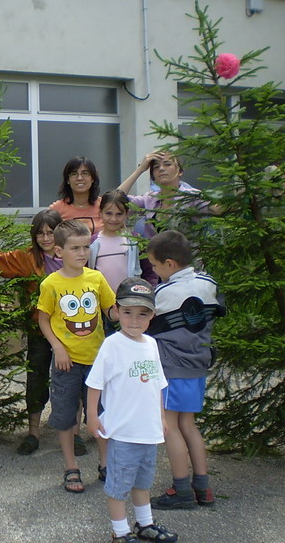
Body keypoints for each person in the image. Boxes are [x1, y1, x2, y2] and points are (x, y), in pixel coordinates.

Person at [86, 277, 178, 543]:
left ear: (153, 315)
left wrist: (161, 416)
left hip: (148, 430)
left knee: (143, 481)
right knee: (118, 486)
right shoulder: (113, 345)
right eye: (127, 312)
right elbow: (94, 383)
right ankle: (120, 532)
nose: (134, 320)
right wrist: (92, 416)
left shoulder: (151, 344)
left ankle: (145, 523)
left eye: (142, 314)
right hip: (123, 431)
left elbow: (159, 384)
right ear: (116, 311)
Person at [145, 231, 225, 510]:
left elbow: (149, 324)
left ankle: (181, 489)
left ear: (169, 264)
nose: (153, 271)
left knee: (169, 427)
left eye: (154, 266)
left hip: (171, 367)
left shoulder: (165, 291)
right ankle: (203, 488)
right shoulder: (208, 282)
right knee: (188, 425)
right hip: (199, 363)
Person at [37, 219, 116, 493]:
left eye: (85, 247)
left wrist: (133, 311)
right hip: (66, 363)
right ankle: (71, 467)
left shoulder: (96, 278)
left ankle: (106, 464)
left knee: (101, 414)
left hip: (98, 363)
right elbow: (43, 320)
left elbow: (111, 310)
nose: (82, 253)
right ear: (59, 251)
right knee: (65, 416)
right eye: (75, 248)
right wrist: (57, 347)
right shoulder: (51, 284)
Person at [0, 209, 67, 455]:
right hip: (39, 328)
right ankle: (33, 433)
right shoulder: (28, 258)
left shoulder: (73, 254)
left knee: (71, 380)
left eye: (50, 232)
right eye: (40, 233)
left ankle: (73, 434)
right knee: (36, 377)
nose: (45, 238)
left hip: (71, 330)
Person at [117, 152, 210, 240]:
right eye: (156, 167)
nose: (161, 169)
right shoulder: (149, 199)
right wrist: (140, 169)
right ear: (153, 177)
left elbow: (217, 209)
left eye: (167, 164)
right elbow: (116, 199)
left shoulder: (192, 196)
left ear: (180, 171)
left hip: (188, 256)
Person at [89, 190, 158, 302]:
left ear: (126, 214)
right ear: (100, 213)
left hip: (131, 303)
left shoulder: (135, 241)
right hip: (101, 305)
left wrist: (147, 294)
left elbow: (150, 272)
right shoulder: (92, 243)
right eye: (108, 213)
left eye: (119, 214)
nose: (113, 219)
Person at [49, 156, 103, 235]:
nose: (79, 178)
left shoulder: (103, 206)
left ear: (93, 178)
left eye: (85, 173)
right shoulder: (56, 209)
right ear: (67, 180)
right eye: (74, 174)